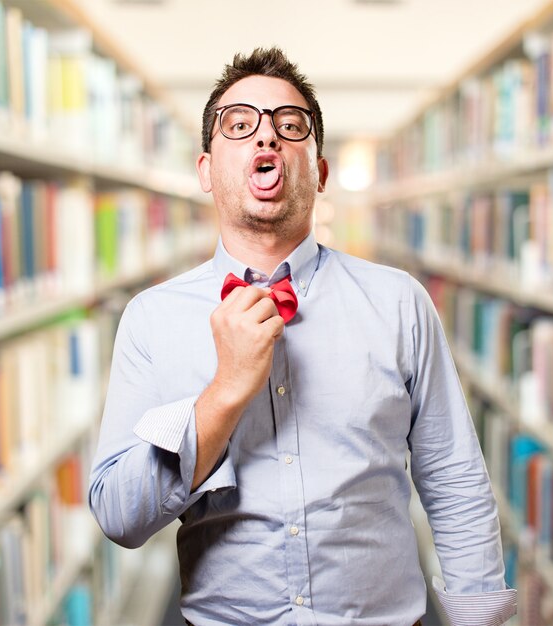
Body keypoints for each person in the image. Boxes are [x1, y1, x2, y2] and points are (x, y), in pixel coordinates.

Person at [89, 47, 517, 626]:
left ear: (318, 171)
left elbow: (453, 477)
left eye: (290, 127)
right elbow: (119, 515)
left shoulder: (400, 302)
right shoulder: (150, 318)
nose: (266, 138)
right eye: (239, 126)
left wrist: (477, 617)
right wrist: (225, 391)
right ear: (205, 170)